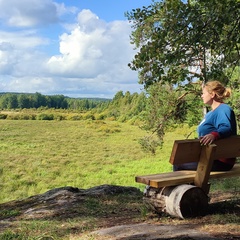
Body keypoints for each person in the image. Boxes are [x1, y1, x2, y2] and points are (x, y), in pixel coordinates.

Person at [173, 80, 237, 171]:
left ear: (212, 94)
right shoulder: (210, 114)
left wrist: (214, 135)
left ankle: (184, 186)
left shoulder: (223, 109)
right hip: (209, 157)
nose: (201, 96)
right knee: (181, 160)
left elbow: (226, 127)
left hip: (220, 160)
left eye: (203, 93)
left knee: (178, 164)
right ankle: (188, 185)